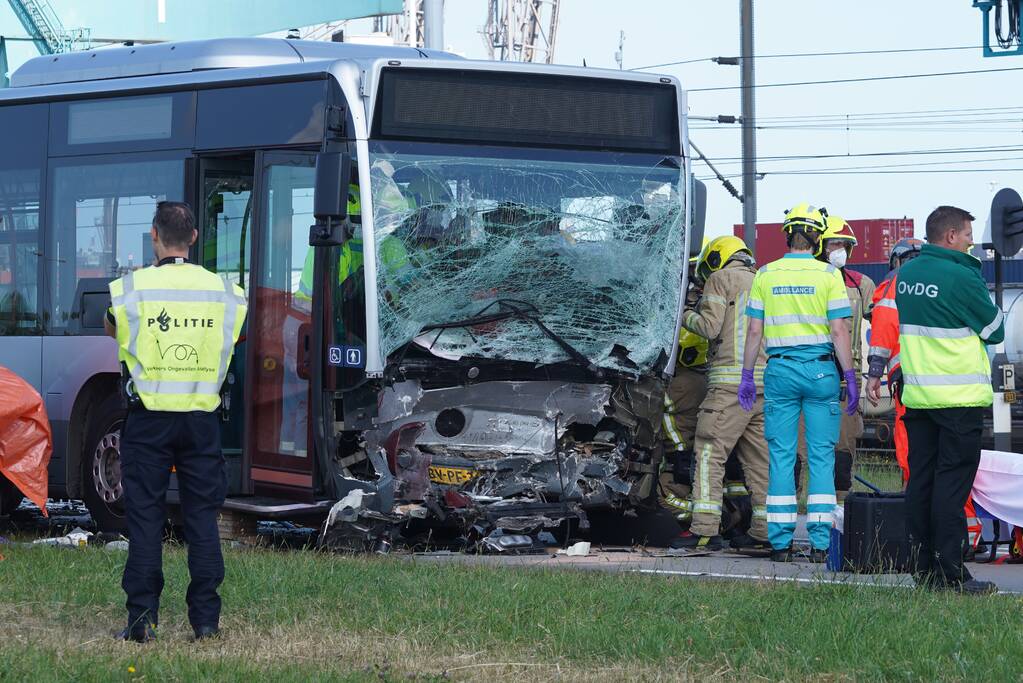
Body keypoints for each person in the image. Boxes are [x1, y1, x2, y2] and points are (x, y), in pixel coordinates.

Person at [105, 201, 247, 641]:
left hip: (149, 423)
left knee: (146, 519)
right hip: (201, 422)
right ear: (195, 238)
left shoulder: (131, 289)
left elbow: (113, 330)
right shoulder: (225, 291)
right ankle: (205, 622)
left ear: (153, 236)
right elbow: (234, 337)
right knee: (203, 519)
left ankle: (142, 622)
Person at [891, 205, 1001, 594]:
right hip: (958, 400)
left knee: (920, 482)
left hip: (919, 398)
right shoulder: (961, 275)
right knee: (951, 487)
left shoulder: (907, 274)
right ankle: (952, 574)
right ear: (951, 236)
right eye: (968, 235)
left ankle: (924, 571)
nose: (973, 243)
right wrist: (976, 275)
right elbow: (994, 330)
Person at [738, 203, 855, 563]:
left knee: (781, 458)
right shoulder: (829, 276)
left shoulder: (766, 274)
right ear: (818, 238)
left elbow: (754, 330)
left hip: (781, 372)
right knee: (821, 457)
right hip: (821, 372)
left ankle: (780, 544)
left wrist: (745, 375)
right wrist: (849, 376)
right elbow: (839, 330)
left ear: (787, 234)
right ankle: (820, 545)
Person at [866, 238, 984, 557]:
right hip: (952, 387)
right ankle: (965, 535)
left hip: (912, 385)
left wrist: (875, 371)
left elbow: (883, 333)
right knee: (954, 469)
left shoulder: (895, 285)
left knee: (916, 465)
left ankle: (929, 546)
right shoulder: (948, 279)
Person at [669, 236, 771, 554]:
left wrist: (681, 313)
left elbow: (710, 328)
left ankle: (703, 530)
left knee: (709, 455)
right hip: (765, 385)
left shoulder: (720, 278)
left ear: (715, 258)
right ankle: (764, 532)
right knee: (760, 462)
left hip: (729, 385)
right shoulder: (764, 280)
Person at [795, 216, 875, 504]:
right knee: (797, 450)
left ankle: (839, 513)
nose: (838, 249)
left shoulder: (861, 285)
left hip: (845, 378)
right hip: (808, 370)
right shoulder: (802, 281)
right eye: (832, 243)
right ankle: (791, 510)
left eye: (843, 244)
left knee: (842, 448)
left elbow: (882, 323)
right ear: (820, 246)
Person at [659, 256, 709, 526]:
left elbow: (660, 405)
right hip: (689, 455)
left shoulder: (682, 384)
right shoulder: (703, 381)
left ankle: (704, 515)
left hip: (679, 457)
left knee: (663, 495)